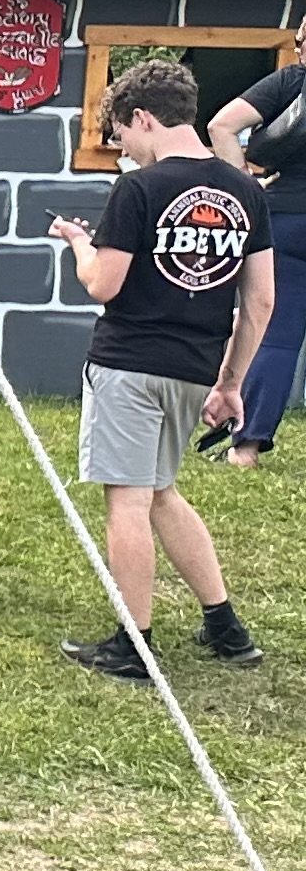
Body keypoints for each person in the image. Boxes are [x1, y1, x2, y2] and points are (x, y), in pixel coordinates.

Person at [57, 56, 269, 678]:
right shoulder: (245, 189)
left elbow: (103, 283)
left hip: (129, 363)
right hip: (194, 368)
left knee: (127, 499)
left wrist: (78, 245)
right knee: (159, 494)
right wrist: (231, 382)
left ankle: (134, 645)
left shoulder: (138, 189)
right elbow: (260, 301)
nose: (124, 150)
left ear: (143, 117)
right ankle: (226, 627)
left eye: (122, 136)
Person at [205, 39, 306, 467]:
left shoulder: (290, 82)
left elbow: (221, 126)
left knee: (277, 337)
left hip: (287, 216)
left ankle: (245, 449)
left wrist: (244, 188)